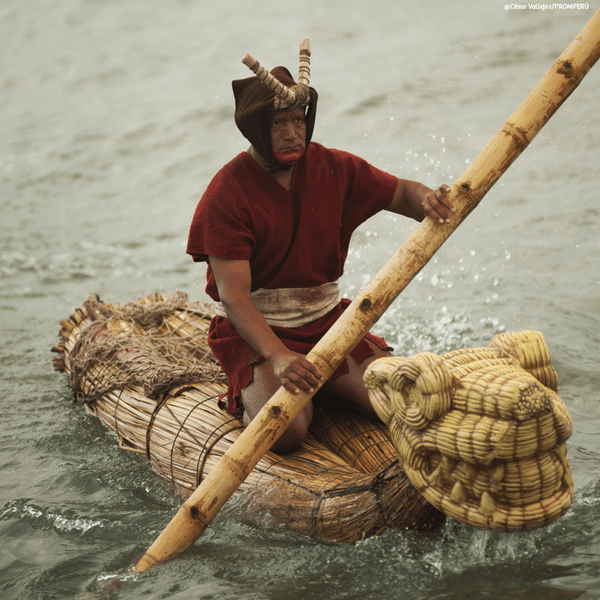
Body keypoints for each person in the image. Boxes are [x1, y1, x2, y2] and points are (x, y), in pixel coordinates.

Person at [187, 41, 454, 453]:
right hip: (265, 333)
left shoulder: (333, 166)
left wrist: (429, 202)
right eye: (279, 124)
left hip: (331, 324)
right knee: (287, 433)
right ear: (258, 128)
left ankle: (330, 388)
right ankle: (258, 396)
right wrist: (277, 356)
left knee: (403, 402)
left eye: (298, 119)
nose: (294, 132)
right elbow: (233, 296)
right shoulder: (227, 194)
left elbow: (401, 192)